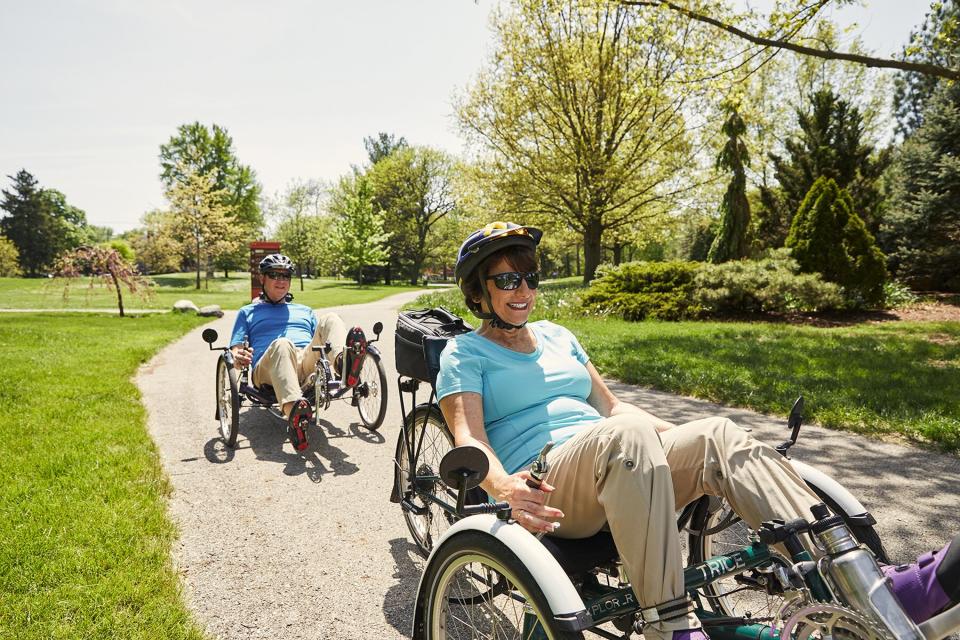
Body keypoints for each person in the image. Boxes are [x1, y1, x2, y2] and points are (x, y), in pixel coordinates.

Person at [435, 221, 959, 640]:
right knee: (630, 440)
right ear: (478, 292)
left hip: (620, 455)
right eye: (505, 280)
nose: (521, 289)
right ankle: (671, 627)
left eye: (528, 277)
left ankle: (864, 585)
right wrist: (503, 488)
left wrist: (694, 443)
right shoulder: (466, 352)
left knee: (717, 431)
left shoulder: (558, 336)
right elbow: (469, 438)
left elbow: (615, 409)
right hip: (552, 483)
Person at [229, 253, 367, 452]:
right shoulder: (247, 312)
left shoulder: (305, 311)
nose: (281, 280)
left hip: (303, 361)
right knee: (283, 344)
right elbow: (236, 350)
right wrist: (237, 356)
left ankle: (344, 364)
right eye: (274, 275)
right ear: (262, 278)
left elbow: (318, 342)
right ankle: (294, 412)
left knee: (330, 318)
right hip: (267, 366)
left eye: (285, 276)